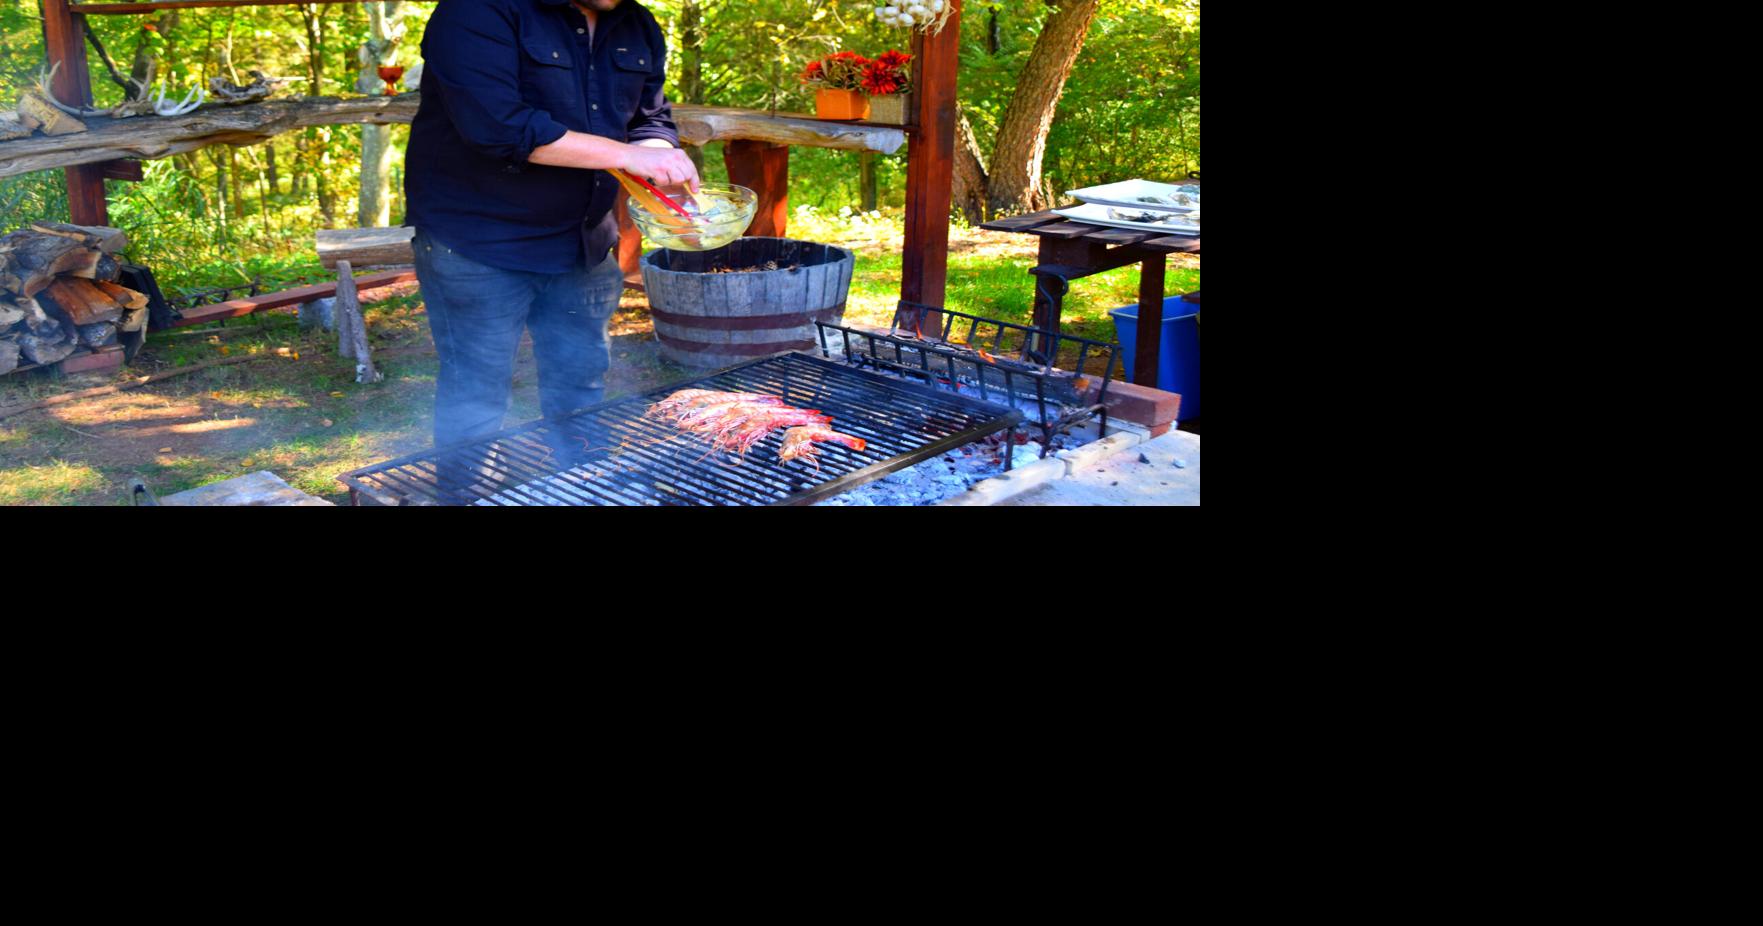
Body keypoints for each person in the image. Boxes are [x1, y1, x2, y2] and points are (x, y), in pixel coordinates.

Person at [405, 0, 698, 493]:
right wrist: (626, 155)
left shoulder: (637, 24)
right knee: (476, 391)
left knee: (581, 382)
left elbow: (649, 119)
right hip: (479, 243)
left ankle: (585, 487)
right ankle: (468, 496)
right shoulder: (477, 10)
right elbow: (501, 128)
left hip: (584, 242)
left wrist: (658, 155)